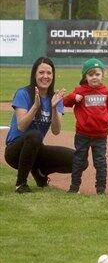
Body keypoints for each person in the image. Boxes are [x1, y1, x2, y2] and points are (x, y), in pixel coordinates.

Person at [4, 57, 75, 193]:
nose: (45, 76)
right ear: (34, 74)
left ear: (53, 76)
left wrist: (54, 107)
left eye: (49, 73)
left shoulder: (55, 98)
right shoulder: (23, 93)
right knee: (35, 135)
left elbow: (56, 130)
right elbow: (21, 126)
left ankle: (40, 171)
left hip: (36, 150)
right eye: (41, 72)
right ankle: (21, 184)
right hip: (15, 152)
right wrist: (35, 107)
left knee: (79, 160)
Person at [64, 58, 108, 195]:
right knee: (79, 161)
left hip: (101, 135)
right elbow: (66, 102)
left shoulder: (106, 91)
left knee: (100, 163)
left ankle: (101, 190)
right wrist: (73, 97)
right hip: (83, 134)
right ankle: (74, 188)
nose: (94, 77)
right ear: (85, 76)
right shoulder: (80, 91)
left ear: (103, 75)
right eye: (90, 74)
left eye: (97, 74)